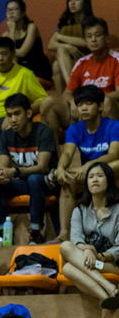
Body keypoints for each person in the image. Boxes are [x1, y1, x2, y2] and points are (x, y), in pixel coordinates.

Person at [0, 93, 58, 244]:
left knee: (35, 179)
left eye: (17, 114)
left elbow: (42, 167)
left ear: (29, 113)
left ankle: (35, 232)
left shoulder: (43, 132)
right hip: (23, 182)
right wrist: (1, 174)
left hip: (47, 182)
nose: (13, 119)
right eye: (9, 115)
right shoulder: (6, 135)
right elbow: (3, 165)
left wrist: (15, 172)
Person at [54, 86, 119, 241]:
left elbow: (114, 153)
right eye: (80, 104)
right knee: (67, 181)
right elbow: (68, 152)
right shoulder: (75, 129)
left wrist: (89, 167)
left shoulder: (114, 125)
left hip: (113, 172)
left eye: (88, 103)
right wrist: (60, 168)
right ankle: (64, 233)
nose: (83, 108)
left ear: (100, 106)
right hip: (91, 175)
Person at [42, 17, 119, 136]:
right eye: (89, 36)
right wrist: (73, 102)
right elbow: (68, 92)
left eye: (97, 35)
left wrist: (94, 103)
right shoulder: (81, 63)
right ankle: (53, 153)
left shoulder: (116, 60)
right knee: (48, 103)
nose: (93, 39)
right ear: (85, 40)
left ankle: (111, 150)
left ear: (106, 37)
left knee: (107, 101)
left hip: (105, 108)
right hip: (82, 110)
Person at [60, 162, 119, 309]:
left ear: (109, 181)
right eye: (91, 177)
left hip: (109, 263)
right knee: (66, 252)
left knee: (68, 265)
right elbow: (76, 239)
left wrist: (99, 257)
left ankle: (108, 292)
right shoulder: (79, 211)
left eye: (100, 176)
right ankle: (107, 294)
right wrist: (86, 249)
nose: (95, 180)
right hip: (88, 260)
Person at [0, 0, 52, 81]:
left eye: (14, 9)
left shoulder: (31, 27)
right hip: (20, 68)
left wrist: (12, 31)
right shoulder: (5, 35)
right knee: (6, 63)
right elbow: (8, 56)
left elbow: (22, 53)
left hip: (37, 68)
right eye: (8, 10)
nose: (11, 13)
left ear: (23, 13)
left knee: (12, 61)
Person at [48, 0, 94, 92]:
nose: (72, 3)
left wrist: (60, 37)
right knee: (56, 64)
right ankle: (67, 98)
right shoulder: (65, 23)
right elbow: (50, 44)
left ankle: (71, 90)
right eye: (70, 0)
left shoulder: (91, 21)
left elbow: (88, 42)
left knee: (59, 57)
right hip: (70, 61)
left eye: (76, 0)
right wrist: (68, 46)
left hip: (86, 59)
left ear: (85, 2)